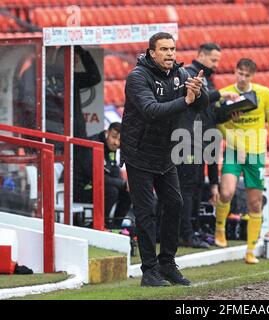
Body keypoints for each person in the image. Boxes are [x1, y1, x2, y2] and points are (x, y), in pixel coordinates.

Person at [120, 32, 207, 287]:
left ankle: (167, 264)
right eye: (164, 49)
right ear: (152, 53)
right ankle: (149, 271)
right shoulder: (138, 77)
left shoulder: (181, 75)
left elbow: (199, 107)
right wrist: (186, 100)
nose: (170, 54)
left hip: (165, 153)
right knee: (146, 212)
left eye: (173, 49)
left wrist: (198, 95)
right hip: (139, 154)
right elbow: (151, 111)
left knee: (175, 204)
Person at [214, 58, 269, 264]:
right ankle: (220, 229)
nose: (242, 78)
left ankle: (250, 250)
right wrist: (232, 139)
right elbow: (218, 123)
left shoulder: (264, 94)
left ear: (253, 76)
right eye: (239, 73)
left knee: (255, 202)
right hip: (234, 151)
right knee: (226, 192)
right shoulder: (225, 93)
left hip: (256, 154)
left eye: (246, 75)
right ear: (235, 71)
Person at [177, 43, 239, 249]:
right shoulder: (190, 75)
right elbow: (200, 100)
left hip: (200, 141)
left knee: (195, 188)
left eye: (218, 60)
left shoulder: (207, 79)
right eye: (213, 60)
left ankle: (194, 231)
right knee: (186, 189)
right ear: (200, 55)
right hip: (187, 140)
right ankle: (185, 234)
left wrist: (232, 110)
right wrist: (222, 94)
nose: (216, 64)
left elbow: (209, 113)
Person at [73, 122, 131, 229]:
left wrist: (125, 185)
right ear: (106, 132)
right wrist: (122, 184)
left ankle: (115, 227)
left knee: (128, 193)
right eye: (114, 137)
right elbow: (96, 177)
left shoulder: (111, 149)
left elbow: (114, 173)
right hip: (77, 191)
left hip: (94, 188)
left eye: (119, 140)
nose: (116, 143)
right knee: (111, 191)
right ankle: (101, 225)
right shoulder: (92, 146)